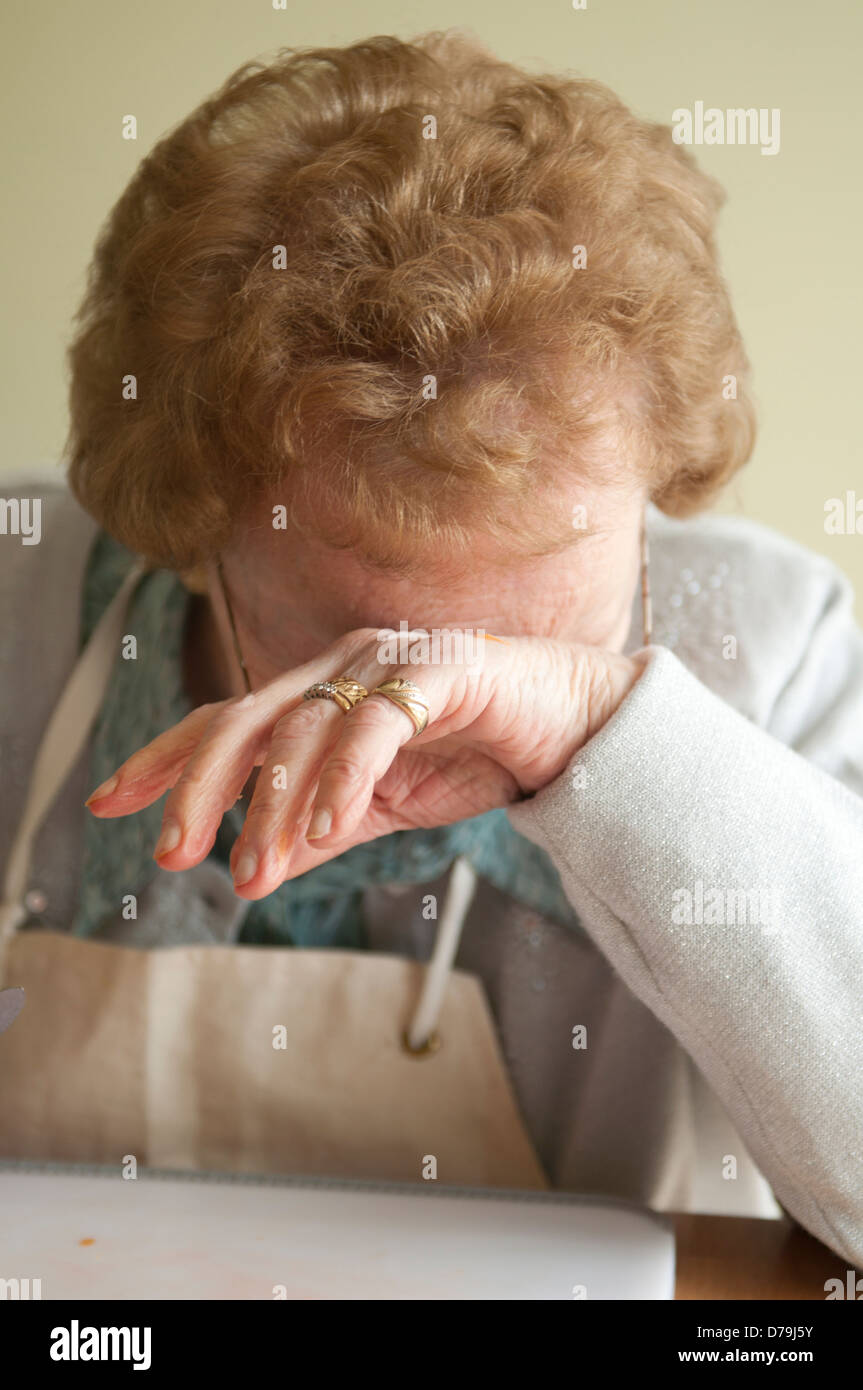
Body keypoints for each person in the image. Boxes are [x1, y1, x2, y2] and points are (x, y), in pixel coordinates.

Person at [1, 30, 861, 1268]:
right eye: (377, 637)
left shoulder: (774, 652)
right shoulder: (20, 606)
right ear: (190, 534)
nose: (443, 703)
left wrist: (594, 733)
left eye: (532, 626)